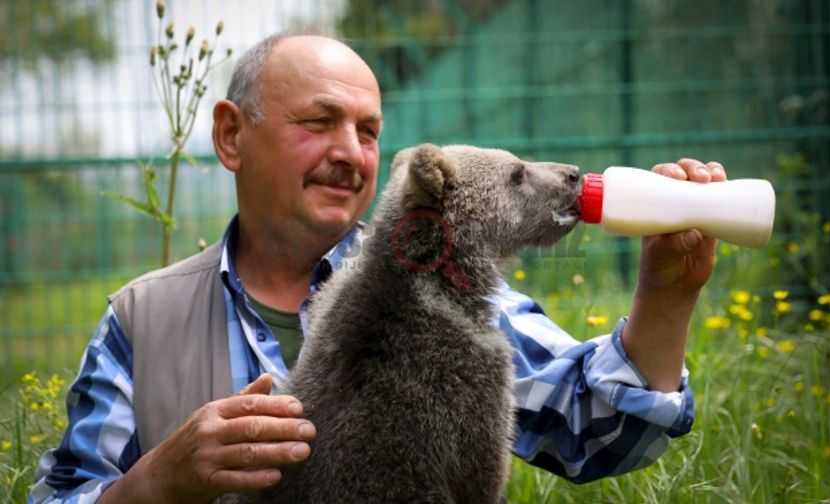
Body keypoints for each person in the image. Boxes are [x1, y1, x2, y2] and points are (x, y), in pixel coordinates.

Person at [30, 33, 726, 503]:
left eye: (368, 131)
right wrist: (152, 484)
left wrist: (666, 294)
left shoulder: (451, 295)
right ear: (231, 135)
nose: (351, 152)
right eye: (319, 121)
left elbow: (597, 425)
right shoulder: (141, 322)